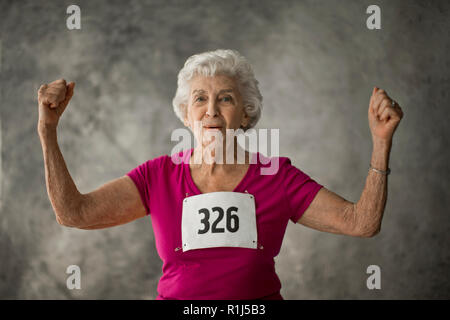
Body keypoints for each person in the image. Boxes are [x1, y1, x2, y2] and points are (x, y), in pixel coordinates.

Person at [36, 49, 403, 300]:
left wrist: (381, 142)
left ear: (245, 113)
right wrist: (47, 132)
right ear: (186, 113)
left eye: (225, 98)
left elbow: (361, 222)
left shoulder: (276, 176)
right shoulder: (158, 176)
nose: (211, 110)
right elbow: (74, 213)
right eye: (199, 99)